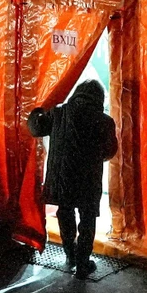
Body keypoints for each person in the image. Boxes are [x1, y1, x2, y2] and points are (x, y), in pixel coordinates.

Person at [27, 79, 118, 279]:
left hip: (61, 176)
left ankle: (70, 255)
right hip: (88, 178)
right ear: (99, 98)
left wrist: (37, 110)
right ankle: (83, 263)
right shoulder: (104, 121)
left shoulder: (58, 112)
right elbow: (110, 151)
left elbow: (36, 129)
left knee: (65, 211)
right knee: (87, 218)